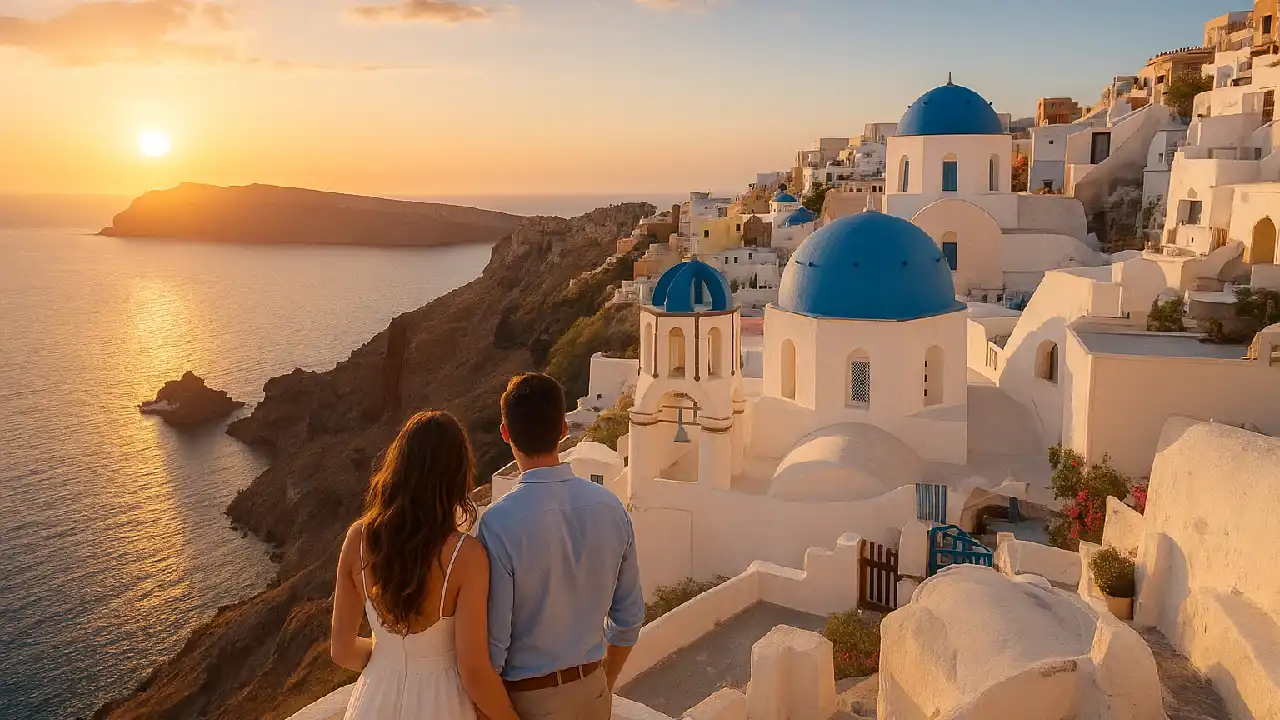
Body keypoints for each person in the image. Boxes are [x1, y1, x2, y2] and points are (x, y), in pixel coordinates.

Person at [331, 410, 518, 720]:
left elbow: (342, 650)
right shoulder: (466, 556)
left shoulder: (357, 538)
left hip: (374, 701)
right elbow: (473, 670)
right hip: (443, 703)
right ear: (457, 476)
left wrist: (388, 658)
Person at [478, 373, 644, 720]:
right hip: (593, 692)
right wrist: (604, 682)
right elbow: (628, 620)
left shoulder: (498, 523)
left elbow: (494, 646)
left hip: (529, 701)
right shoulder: (610, 507)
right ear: (563, 430)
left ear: (505, 433)